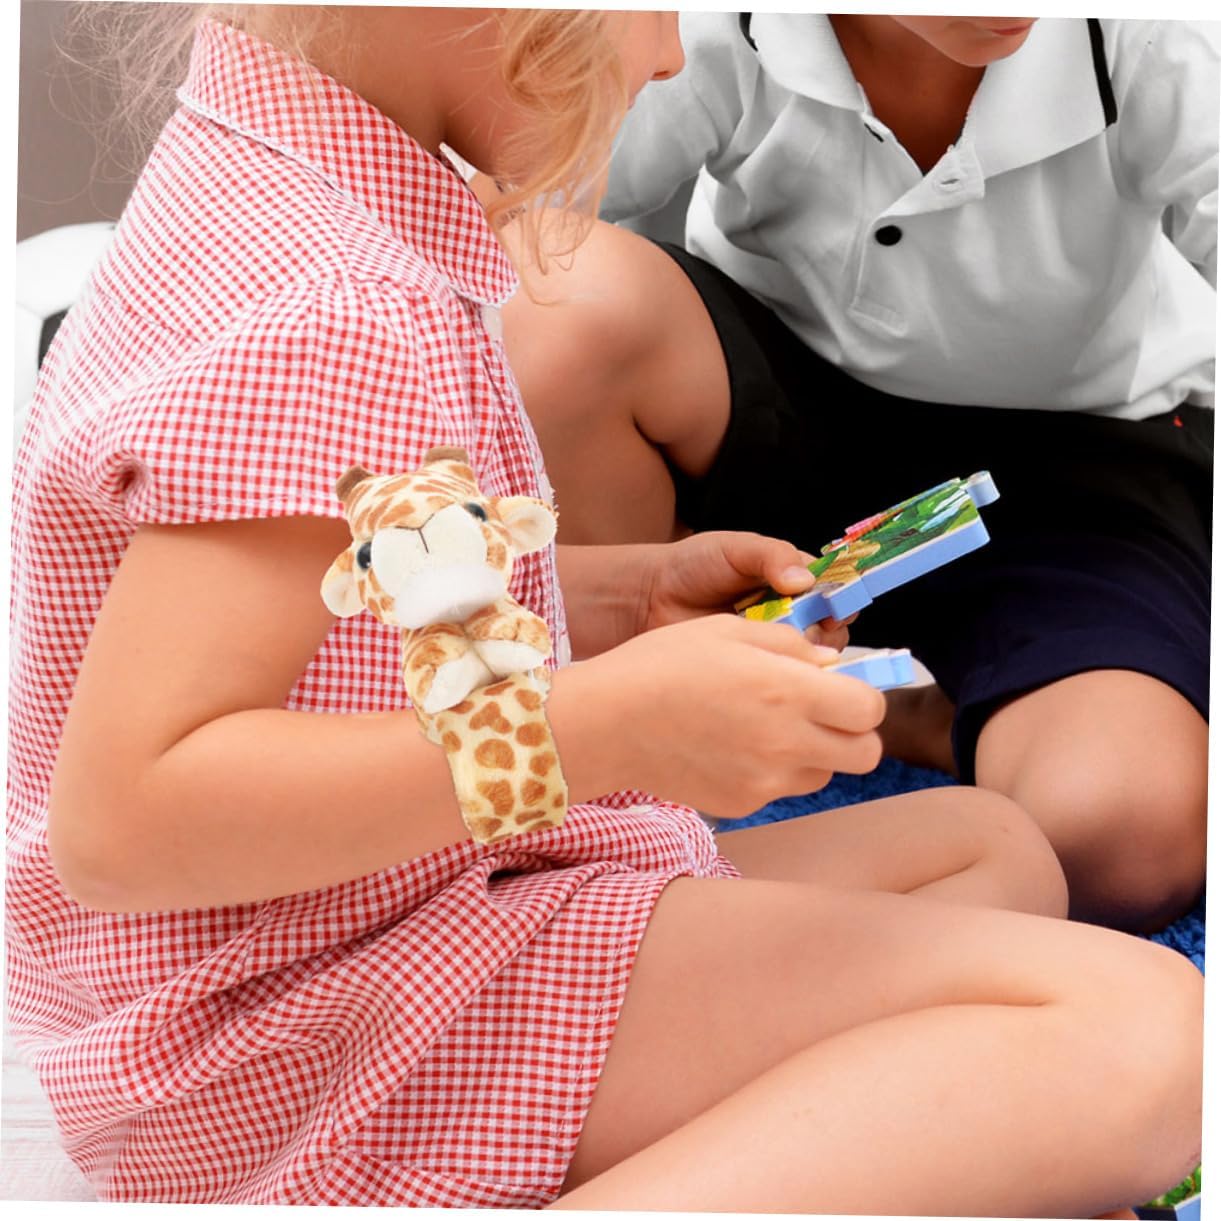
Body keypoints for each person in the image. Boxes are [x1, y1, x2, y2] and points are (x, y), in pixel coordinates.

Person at [8, 5, 1203, 1213]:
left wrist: (625, 596)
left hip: (392, 924)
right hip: (324, 1030)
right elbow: (126, 823)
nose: (673, 53)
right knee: (1156, 1040)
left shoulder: (274, 174)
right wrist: (603, 726)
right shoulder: (336, 310)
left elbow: (339, 615)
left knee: (986, 852)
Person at [502, 12, 1215, 933]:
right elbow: (488, 220)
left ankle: (897, 715)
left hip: (1080, 468)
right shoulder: (708, 29)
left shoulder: (1154, 39)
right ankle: (640, 761)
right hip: (775, 418)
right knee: (550, 293)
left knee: (1119, 837)